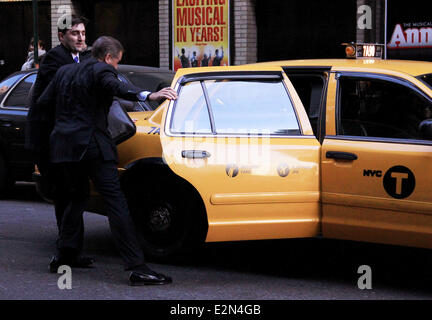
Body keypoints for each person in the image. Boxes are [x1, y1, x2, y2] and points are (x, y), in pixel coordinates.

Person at [36, 36, 177, 285]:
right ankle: (137, 267)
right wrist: (148, 95)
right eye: (117, 62)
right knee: (116, 203)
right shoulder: (102, 69)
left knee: (75, 198)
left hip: (64, 147)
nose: (115, 66)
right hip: (93, 146)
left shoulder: (64, 71)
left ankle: (63, 256)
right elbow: (115, 86)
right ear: (109, 57)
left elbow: (43, 102)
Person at [25, 15, 93, 269]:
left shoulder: (80, 58)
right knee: (68, 196)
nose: (81, 38)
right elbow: (53, 98)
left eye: (83, 33)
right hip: (49, 140)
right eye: (75, 33)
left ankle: (72, 252)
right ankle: (64, 253)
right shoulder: (55, 58)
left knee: (73, 194)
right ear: (62, 36)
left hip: (65, 140)